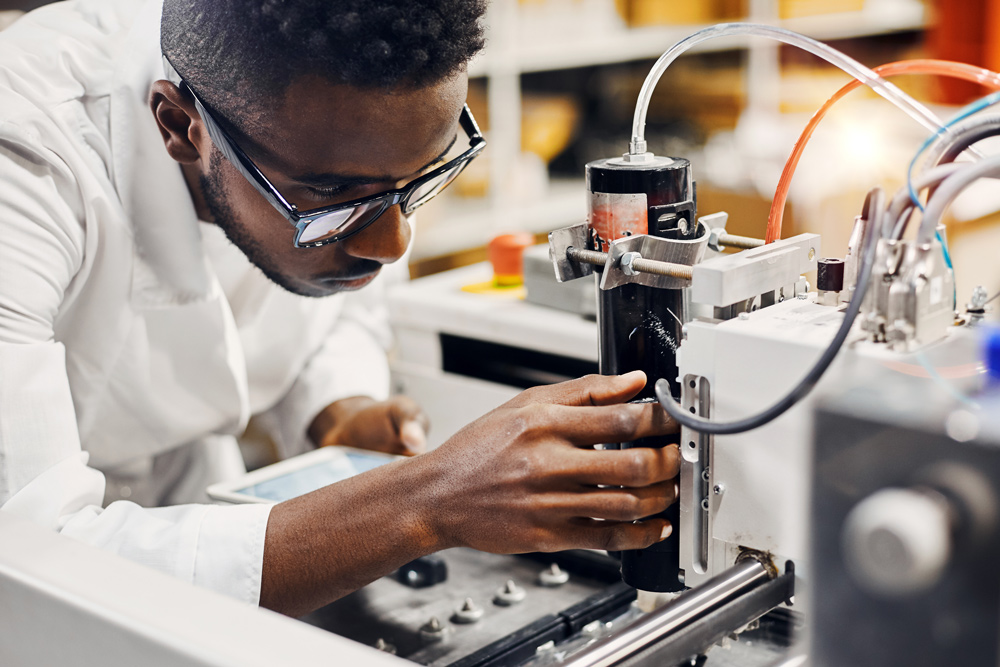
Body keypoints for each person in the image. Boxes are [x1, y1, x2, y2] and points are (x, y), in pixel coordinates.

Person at [0, 0, 680, 617]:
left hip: (194, 512)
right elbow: (33, 559)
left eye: (418, 180)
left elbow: (340, 310)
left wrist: (339, 405)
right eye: (335, 196)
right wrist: (428, 501)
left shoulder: (343, 132)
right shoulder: (27, 158)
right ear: (180, 127)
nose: (392, 243)